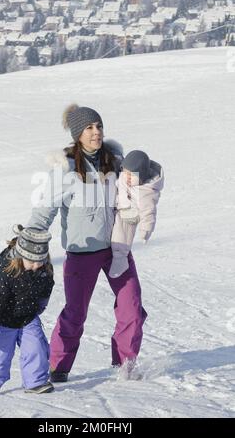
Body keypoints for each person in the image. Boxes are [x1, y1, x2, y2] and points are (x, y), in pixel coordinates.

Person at [28, 104, 147, 382]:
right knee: (75, 313)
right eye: (89, 127)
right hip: (82, 253)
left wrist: (148, 171)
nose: (96, 132)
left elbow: (140, 183)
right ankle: (58, 366)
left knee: (132, 305)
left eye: (99, 126)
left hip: (117, 247)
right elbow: (45, 209)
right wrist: (33, 237)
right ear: (77, 133)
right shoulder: (65, 168)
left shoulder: (114, 161)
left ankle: (125, 364)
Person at [0, 225, 55, 396]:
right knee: (0, 351)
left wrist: (41, 306)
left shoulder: (44, 271)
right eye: (32, 261)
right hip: (4, 320)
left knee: (36, 347)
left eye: (40, 261)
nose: (36, 266)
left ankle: (36, 381)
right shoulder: (3, 274)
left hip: (29, 318)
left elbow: (46, 290)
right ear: (20, 256)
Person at [109, 150, 164, 278]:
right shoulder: (124, 176)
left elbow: (149, 213)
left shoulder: (146, 193)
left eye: (132, 175)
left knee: (121, 233)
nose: (127, 177)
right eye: (126, 173)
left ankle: (120, 259)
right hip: (117, 205)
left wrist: (146, 231)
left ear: (142, 176)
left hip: (130, 213)